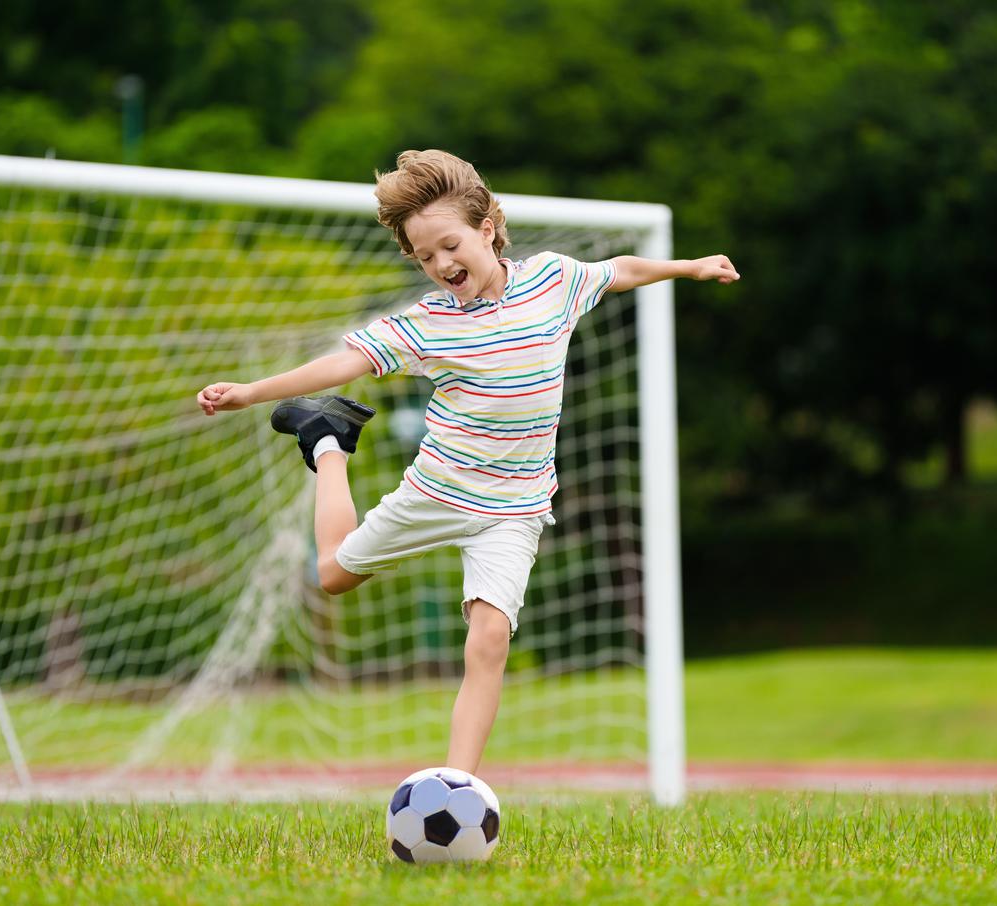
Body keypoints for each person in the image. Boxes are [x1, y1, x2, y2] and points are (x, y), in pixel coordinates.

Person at [196, 149, 739, 774]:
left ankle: (456, 785)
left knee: (489, 641)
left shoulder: (554, 281)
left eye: (450, 245)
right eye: (426, 257)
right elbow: (340, 362)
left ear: (487, 227)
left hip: (514, 510)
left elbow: (616, 269)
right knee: (335, 575)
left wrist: (689, 267)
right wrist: (251, 392)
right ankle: (327, 441)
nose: (441, 264)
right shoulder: (429, 325)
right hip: (438, 493)